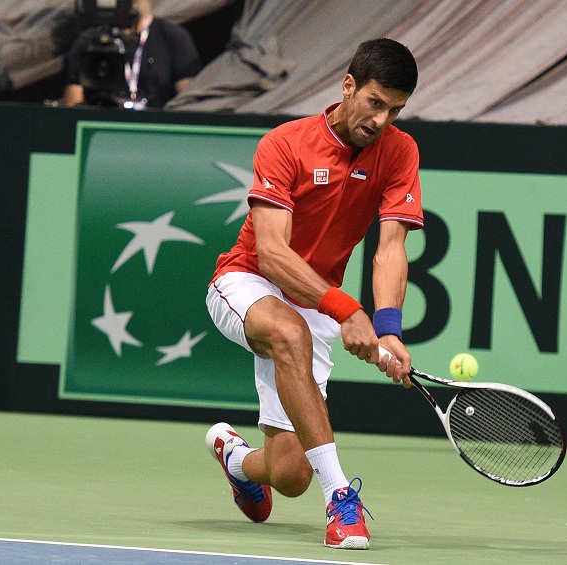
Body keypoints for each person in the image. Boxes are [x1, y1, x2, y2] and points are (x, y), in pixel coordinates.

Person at [204, 38, 421, 549]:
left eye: (394, 110)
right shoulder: (285, 144)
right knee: (289, 332)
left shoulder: (399, 151)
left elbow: (391, 249)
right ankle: (341, 498)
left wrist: (388, 328)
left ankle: (236, 460)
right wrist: (347, 310)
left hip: (313, 299)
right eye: (375, 103)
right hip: (247, 281)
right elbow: (273, 253)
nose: (382, 120)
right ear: (348, 86)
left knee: (289, 474)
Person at [62, 0, 202, 108]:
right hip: (106, 122)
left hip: (156, 123)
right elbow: (73, 101)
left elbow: (188, 98)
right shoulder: (88, 41)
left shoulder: (173, 36)